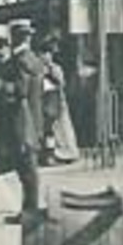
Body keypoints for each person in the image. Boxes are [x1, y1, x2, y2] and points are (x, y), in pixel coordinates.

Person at [0, 19, 45, 225]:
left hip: (21, 121)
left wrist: (1, 85)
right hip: (33, 118)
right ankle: (28, 209)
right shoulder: (34, 59)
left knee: (27, 168)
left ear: (14, 37)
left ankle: (30, 211)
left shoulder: (20, 61)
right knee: (27, 167)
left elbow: (20, 90)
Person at [38, 36, 79, 165]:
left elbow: (61, 83)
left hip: (57, 101)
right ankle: (49, 154)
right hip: (44, 100)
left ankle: (67, 152)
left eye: (48, 54)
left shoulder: (56, 68)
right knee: (48, 130)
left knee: (62, 129)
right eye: (43, 54)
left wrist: (51, 74)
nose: (45, 57)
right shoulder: (38, 68)